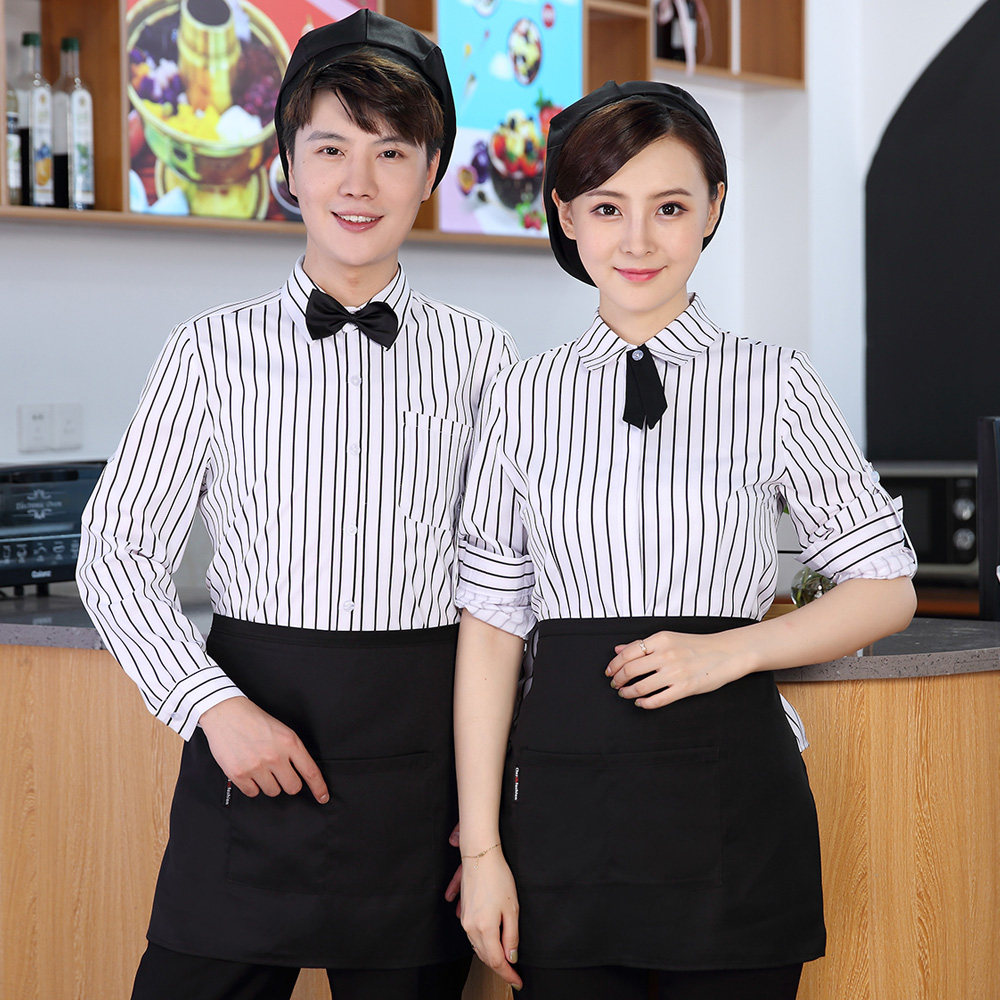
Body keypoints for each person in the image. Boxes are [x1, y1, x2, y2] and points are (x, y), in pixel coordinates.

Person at [77, 12, 517, 1000]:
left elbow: (511, 585)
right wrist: (212, 708)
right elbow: (115, 551)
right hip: (249, 735)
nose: (358, 183)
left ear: (431, 170)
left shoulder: (484, 356)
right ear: (286, 166)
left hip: (421, 763)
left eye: (390, 152)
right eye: (330, 149)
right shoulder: (208, 349)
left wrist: (494, 810)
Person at [453, 81, 917, 1000]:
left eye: (668, 208)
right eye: (606, 208)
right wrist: (482, 852)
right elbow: (493, 627)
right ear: (567, 217)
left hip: (732, 810)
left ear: (712, 209)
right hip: (562, 813)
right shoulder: (517, 395)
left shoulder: (776, 382)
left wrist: (728, 652)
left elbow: (886, 587)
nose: (637, 241)